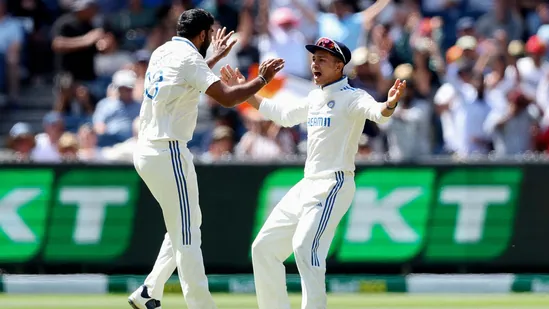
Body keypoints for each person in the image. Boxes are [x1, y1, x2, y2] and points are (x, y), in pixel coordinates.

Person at [220, 36, 406, 309]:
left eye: (322, 60)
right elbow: (282, 115)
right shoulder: (315, 96)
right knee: (263, 249)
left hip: (334, 183)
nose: (314, 64)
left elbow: (377, 113)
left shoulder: (353, 97)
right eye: (313, 59)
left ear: (339, 66)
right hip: (309, 183)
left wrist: (388, 104)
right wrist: (246, 91)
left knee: (305, 249)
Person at [128, 8, 285, 309]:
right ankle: (201, 305)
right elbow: (226, 97)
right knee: (187, 233)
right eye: (209, 35)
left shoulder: (163, 52)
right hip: (168, 150)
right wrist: (263, 78)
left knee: (185, 223)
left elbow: (187, 78)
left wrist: (212, 57)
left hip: (148, 149)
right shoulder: (189, 59)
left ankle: (150, 289)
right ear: (202, 35)